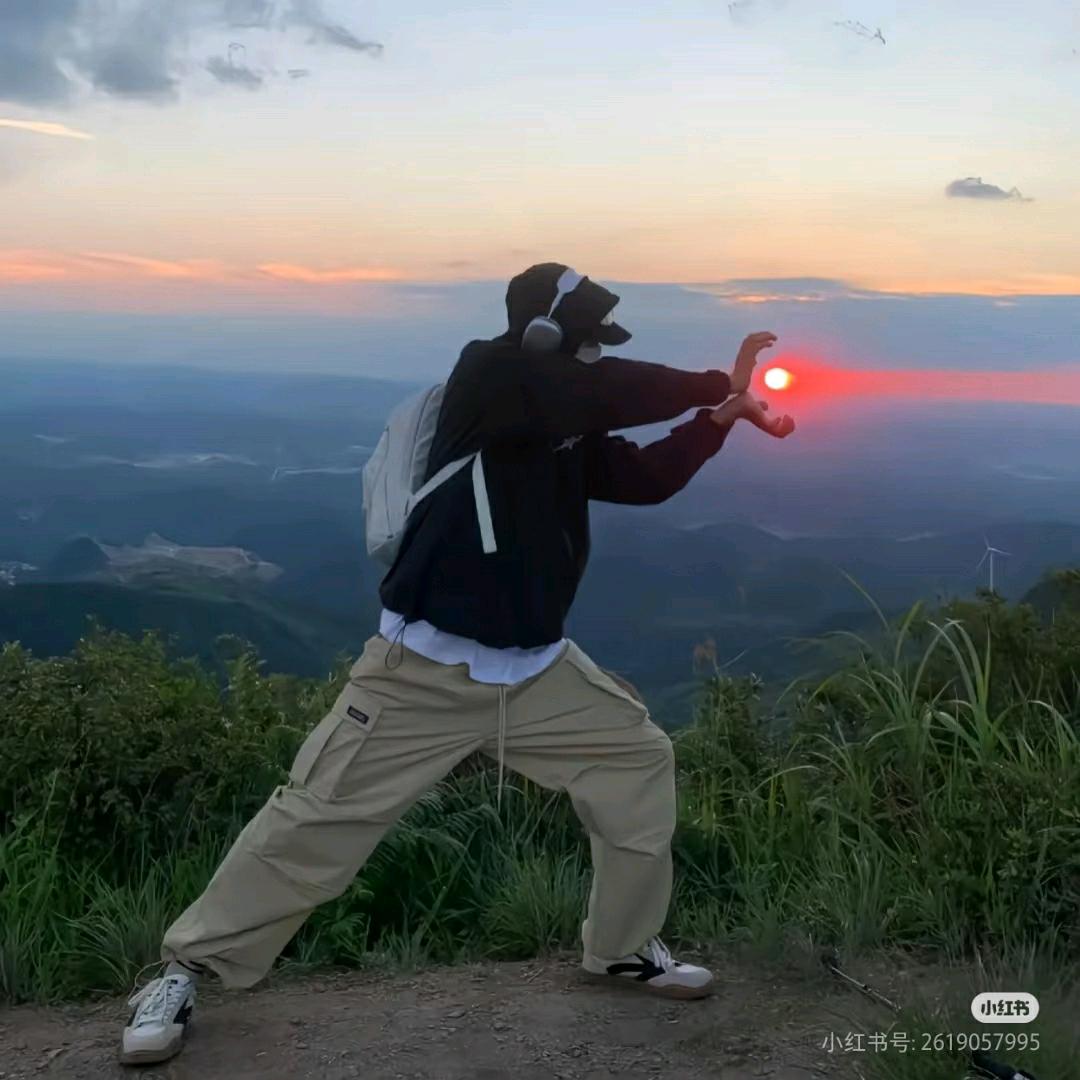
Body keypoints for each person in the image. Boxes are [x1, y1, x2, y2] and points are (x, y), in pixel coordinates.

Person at [120, 262, 795, 1066]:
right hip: (420, 674)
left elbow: (643, 479)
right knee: (314, 820)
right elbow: (598, 392)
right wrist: (713, 378)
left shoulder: (564, 420)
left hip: (539, 673)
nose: (594, 357)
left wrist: (715, 419)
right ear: (547, 336)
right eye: (587, 343)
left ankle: (620, 947)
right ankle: (184, 969)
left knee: (639, 761)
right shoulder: (491, 377)